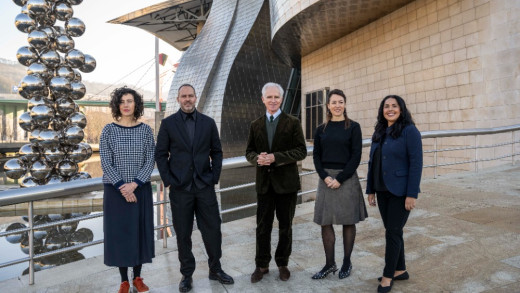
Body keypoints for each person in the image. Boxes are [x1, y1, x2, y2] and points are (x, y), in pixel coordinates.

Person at [155, 84, 234, 293]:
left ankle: (215, 268)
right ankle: (187, 274)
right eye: (184, 96)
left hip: (204, 186)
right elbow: (161, 155)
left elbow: (217, 152)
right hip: (180, 188)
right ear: (179, 99)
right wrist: (169, 180)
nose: (187, 99)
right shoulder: (168, 124)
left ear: (195, 98)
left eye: (190, 96)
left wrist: (213, 177)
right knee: (183, 233)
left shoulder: (208, 123)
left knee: (213, 229)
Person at [245, 82, 307, 283]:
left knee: (285, 226)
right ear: (262, 99)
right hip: (264, 185)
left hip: (286, 184)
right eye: (269, 97)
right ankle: (262, 265)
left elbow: (301, 151)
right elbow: (249, 152)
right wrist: (258, 159)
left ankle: (282, 264)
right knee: (262, 226)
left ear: (281, 99)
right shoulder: (255, 124)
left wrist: (275, 157)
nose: (273, 100)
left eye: (276, 97)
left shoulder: (293, 122)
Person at [100, 87, 156, 293]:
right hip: (115, 192)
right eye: (122, 101)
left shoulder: (145, 130)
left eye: (130, 101)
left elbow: (150, 160)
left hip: (139, 189)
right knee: (120, 235)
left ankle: (138, 277)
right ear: (117, 105)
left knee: (139, 233)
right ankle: (124, 280)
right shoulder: (108, 130)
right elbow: (106, 162)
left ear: (136, 105)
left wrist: (135, 184)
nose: (125, 104)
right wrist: (122, 187)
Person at [366, 95, 423, 293]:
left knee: (392, 233)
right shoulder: (380, 131)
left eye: (394, 106)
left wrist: (412, 194)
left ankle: (388, 276)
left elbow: (416, 164)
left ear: (401, 109)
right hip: (382, 190)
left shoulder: (410, 131)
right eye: (386, 106)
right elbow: (372, 162)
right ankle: (400, 269)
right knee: (394, 231)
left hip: (401, 191)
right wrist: (370, 189)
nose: (390, 109)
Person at [311, 89, 367, 280]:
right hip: (326, 178)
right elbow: (316, 156)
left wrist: (340, 178)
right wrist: (325, 176)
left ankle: (346, 262)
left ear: (345, 104)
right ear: (328, 105)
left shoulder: (354, 127)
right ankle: (329, 264)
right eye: (333, 102)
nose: (337, 105)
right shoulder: (320, 130)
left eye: (340, 102)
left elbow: (356, 155)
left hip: (347, 178)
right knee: (325, 222)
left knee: (348, 221)